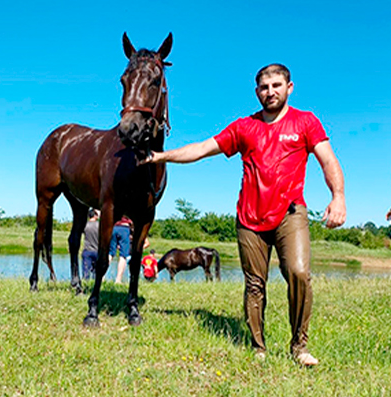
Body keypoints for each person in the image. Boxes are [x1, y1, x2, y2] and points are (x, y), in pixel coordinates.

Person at [144, 64, 346, 366]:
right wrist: (161, 156)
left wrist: (338, 197)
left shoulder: (306, 122)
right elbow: (202, 148)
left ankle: (299, 347)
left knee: (299, 273)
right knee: (255, 284)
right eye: (264, 87)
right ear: (257, 92)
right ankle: (258, 347)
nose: (270, 92)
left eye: (277, 85)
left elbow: (328, 160)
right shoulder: (243, 127)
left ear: (289, 88)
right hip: (249, 219)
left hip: (291, 212)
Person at [109, 216, 132, 283]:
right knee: (123, 256)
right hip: (125, 227)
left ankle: (102, 276)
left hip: (114, 226)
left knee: (110, 253)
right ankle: (118, 280)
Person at [81, 209, 100, 280]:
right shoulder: (99, 225)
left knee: (86, 272)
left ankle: (86, 284)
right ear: (95, 216)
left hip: (87, 250)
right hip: (97, 251)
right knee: (96, 273)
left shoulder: (85, 225)